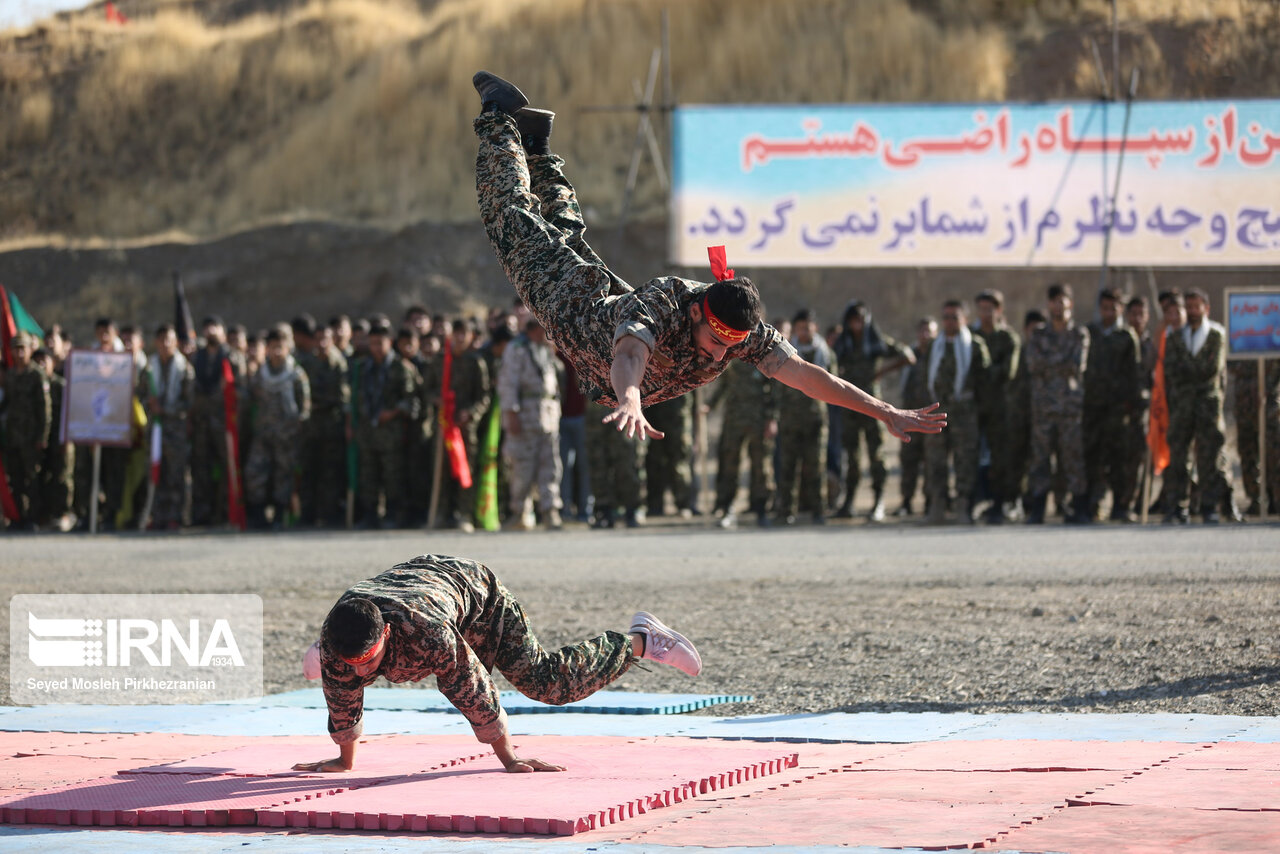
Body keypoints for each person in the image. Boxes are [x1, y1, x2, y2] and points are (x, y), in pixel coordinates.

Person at [470, 72, 945, 446]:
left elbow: (807, 376)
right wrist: (630, 397)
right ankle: (500, 115)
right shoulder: (668, 299)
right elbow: (631, 351)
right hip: (571, 308)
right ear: (697, 311)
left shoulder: (740, 335)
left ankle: (535, 143)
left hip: (591, 312)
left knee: (565, 232)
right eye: (715, 340)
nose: (720, 353)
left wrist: (885, 410)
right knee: (511, 221)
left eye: (728, 346)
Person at [294, 554, 700, 773]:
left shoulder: (429, 634)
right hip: (401, 592)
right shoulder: (339, 640)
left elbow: (473, 691)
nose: (362, 670)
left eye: (368, 659)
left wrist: (511, 759)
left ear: (383, 635)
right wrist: (343, 762)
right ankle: (331, 656)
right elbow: (343, 697)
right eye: (353, 660)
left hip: (477, 599)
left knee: (547, 684)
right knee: (338, 673)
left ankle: (641, 641)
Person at [831, 300, 915, 522]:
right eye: (853, 320)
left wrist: (881, 372)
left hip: (873, 404)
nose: (857, 324)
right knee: (852, 455)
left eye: (860, 319)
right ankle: (849, 500)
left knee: (876, 453)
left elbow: (908, 355)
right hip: (849, 404)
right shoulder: (843, 342)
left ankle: (878, 500)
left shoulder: (875, 340)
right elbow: (830, 360)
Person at [1162, 289, 1235, 524]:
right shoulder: (1174, 337)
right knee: (1179, 457)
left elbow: (1210, 369)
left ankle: (1209, 505)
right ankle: (1177, 506)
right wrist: (1189, 374)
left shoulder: (1216, 335)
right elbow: (1170, 370)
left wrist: (1187, 373)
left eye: (1197, 307)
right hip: (1182, 407)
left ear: (1206, 308)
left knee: (1209, 457)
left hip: (1207, 407)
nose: (1193, 312)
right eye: (1189, 307)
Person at [1025, 283, 1090, 524]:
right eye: (1054, 301)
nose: (1058, 306)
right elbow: (1033, 364)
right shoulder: (1039, 334)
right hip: (1043, 408)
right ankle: (1038, 509)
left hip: (1070, 409)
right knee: (1040, 459)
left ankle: (1079, 508)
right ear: (1048, 304)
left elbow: (1076, 366)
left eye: (1062, 301)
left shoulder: (1079, 334)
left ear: (1069, 304)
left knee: (1073, 459)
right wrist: (1060, 362)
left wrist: (1049, 363)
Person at [924, 301, 990, 524]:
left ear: (965, 320)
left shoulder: (975, 345)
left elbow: (985, 380)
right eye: (946, 317)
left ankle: (963, 505)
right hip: (937, 411)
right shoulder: (935, 345)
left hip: (964, 412)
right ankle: (938, 506)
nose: (949, 321)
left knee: (965, 461)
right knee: (935, 462)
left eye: (954, 317)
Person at [498, 317, 563, 530]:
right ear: (535, 329)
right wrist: (511, 414)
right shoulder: (516, 349)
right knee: (522, 464)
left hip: (548, 414)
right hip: (525, 414)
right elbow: (508, 383)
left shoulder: (545, 349)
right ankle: (520, 512)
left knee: (550, 465)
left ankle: (550, 510)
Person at [1083, 287, 1141, 521]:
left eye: (1114, 308)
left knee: (1119, 459)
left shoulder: (1127, 336)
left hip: (1118, 409)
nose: (1109, 312)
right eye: (1105, 307)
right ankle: (1093, 504)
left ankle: (1120, 505)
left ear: (1121, 309)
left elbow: (1134, 373)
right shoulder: (1090, 332)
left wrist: (1132, 405)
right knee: (1093, 457)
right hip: (1093, 406)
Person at [245, 326, 311, 530]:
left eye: (280, 347)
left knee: (284, 475)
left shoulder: (296, 375)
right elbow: (251, 397)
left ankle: (279, 516)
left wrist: (297, 427)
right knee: (255, 473)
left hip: (286, 436)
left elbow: (305, 406)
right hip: (263, 436)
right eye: (273, 347)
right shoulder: (260, 374)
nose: (276, 352)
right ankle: (258, 516)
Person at [355, 321, 417, 530]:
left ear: (389, 342)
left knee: (393, 477)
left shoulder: (402, 368)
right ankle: (370, 515)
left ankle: (393, 514)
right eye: (372, 343)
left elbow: (412, 400)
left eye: (380, 343)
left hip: (391, 433)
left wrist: (392, 413)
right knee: (368, 476)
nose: (376, 348)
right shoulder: (363, 368)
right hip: (368, 432)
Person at [774, 310, 832, 526]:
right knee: (788, 467)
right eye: (800, 328)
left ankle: (819, 511)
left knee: (816, 467)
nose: (804, 332)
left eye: (807, 327)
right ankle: (786, 511)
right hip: (790, 421)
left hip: (815, 420)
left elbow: (834, 385)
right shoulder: (785, 353)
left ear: (814, 328)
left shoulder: (825, 353)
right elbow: (777, 389)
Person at [138, 325, 195, 530]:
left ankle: (176, 516)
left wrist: (167, 409)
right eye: (161, 340)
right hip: (155, 429)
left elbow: (189, 402)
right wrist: (150, 405)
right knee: (155, 472)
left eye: (169, 340)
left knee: (175, 473)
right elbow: (141, 394)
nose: (165, 344)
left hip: (175, 429)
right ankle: (157, 515)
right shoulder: (150, 368)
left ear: (175, 342)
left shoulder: (184, 369)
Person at [708, 357, 777, 528]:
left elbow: (773, 392)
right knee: (730, 464)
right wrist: (710, 405)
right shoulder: (730, 359)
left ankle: (760, 508)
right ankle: (728, 508)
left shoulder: (761, 357)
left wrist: (772, 418)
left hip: (758, 421)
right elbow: (723, 386)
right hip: (734, 421)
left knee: (761, 466)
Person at [971, 290, 1020, 523]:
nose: (985, 314)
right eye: (981, 309)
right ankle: (973, 501)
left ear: (998, 311)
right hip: (974, 406)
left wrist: (983, 371)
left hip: (1000, 408)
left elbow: (1007, 372)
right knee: (970, 455)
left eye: (989, 309)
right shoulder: (970, 336)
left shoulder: (1008, 338)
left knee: (1001, 458)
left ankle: (1000, 504)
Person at [1, 332, 50, 531]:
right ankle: (18, 517)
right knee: (16, 478)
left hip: (31, 437)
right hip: (13, 436)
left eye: (23, 348)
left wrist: (42, 436)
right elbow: (7, 404)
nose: (20, 353)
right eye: (16, 348)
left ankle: (33, 518)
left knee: (33, 479)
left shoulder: (37, 374)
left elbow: (45, 410)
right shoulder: (11, 375)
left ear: (30, 349)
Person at [895, 317, 937, 517]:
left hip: (931, 417)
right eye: (922, 331)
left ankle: (931, 502)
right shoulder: (910, 356)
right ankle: (906, 502)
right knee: (908, 460)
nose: (925, 335)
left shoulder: (939, 354)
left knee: (932, 460)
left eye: (929, 331)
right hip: (909, 416)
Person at [31, 348, 74, 531]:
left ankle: (62, 514)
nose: (41, 365)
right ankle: (43, 515)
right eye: (37, 361)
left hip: (59, 439)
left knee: (61, 477)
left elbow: (69, 414)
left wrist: (66, 439)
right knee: (41, 478)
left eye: (44, 361)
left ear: (52, 363)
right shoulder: (32, 384)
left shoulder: (61, 386)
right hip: (38, 440)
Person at [1122, 296, 1157, 519]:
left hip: (1147, 411)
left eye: (1141, 314)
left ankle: (1142, 504)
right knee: (1126, 460)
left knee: (1147, 459)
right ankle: (1124, 503)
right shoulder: (1120, 341)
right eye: (1133, 314)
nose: (1137, 319)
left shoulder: (1152, 345)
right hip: (1124, 410)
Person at [643, 395, 694, 518]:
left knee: (679, 461)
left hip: (677, 416)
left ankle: (683, 504)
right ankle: (654, 505)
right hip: (652, 413)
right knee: (653, 461)